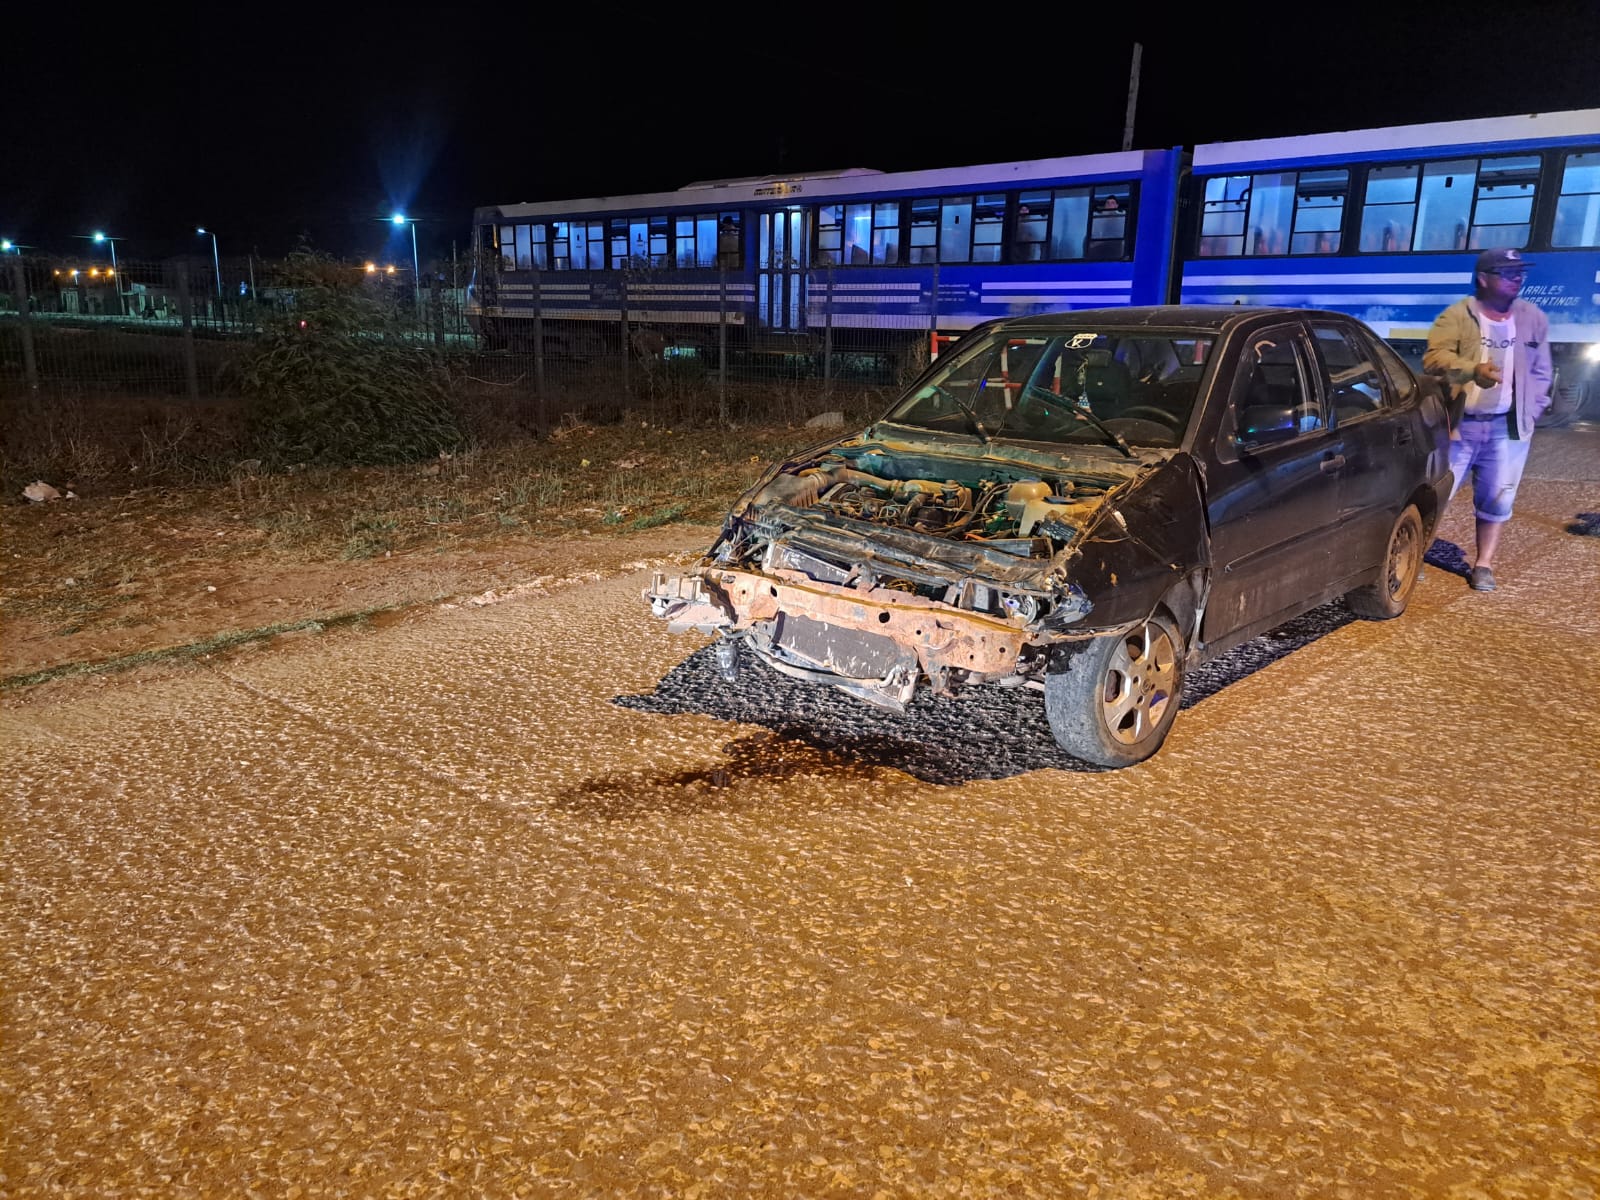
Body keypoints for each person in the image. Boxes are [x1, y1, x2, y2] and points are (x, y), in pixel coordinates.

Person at [1423, 247, 1553, 592]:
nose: (1517, 279)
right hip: (1459, 426)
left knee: (1498, 497)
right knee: (1437, 493)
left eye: (1520, 274)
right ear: (1484, 278)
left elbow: (1542, 371)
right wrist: (1472, 370)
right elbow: (1435, 358)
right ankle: (1414, 554)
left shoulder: (1532, 318)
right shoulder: (1458, 316)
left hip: (1506, 427)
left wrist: (1533, 410)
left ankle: (1483, 565)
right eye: (1508, 273)